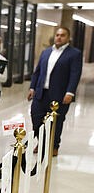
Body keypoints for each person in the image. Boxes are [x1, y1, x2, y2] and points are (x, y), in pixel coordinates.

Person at [27, 27, 82, 157]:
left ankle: (54, 146)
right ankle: (41, 142)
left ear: (68, 38)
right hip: (41, 93)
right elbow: (38, 72)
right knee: (36, 119)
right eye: (57, 35)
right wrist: (32, 88)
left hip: (60, 95)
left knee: (56, 123)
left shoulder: (74, 54)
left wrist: (70, 92)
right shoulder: (46, 52)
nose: (59, 37)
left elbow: (75, 74)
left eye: (62, 35)